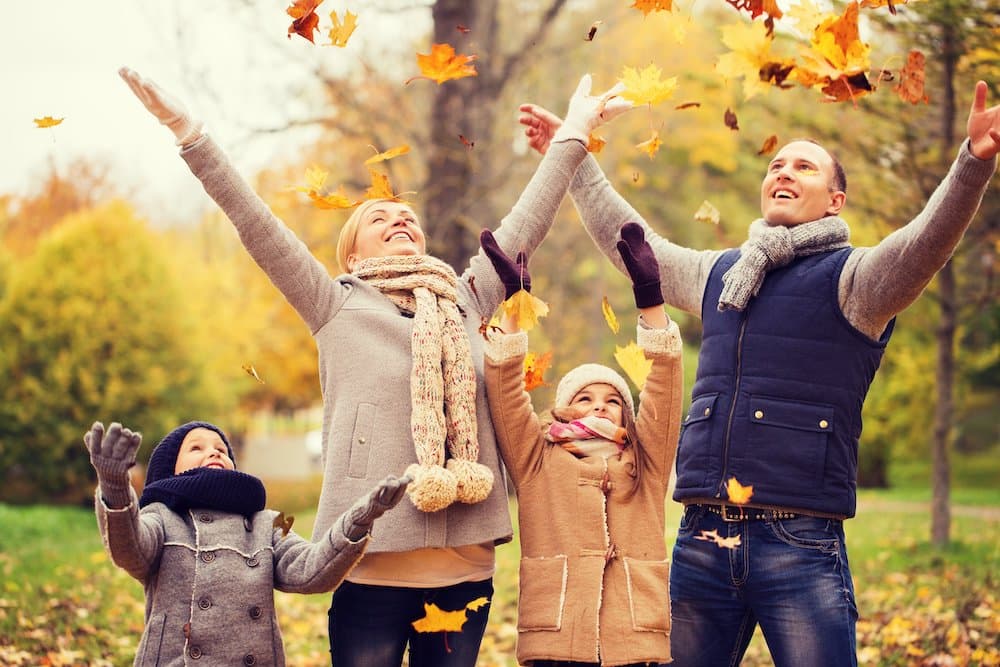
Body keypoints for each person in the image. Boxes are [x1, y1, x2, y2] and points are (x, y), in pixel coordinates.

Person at [118, 67, 630, 665]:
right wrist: (189, 132)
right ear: (352, 254)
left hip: (464, 565)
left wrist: (574, 130)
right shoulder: (332, 303)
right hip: (367, 562)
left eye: (406, 217)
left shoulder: (464, 297)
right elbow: (255, 223)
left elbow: (527, 223)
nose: (400, 222)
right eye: (378, 220)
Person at [516, 81, 999, 666]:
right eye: (776, 164)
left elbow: (923, 246)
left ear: (835, 200)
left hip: (799, 543)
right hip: (701, 539)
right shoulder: (719, 273)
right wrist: (573, 157)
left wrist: (971, 163)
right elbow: (635, 248)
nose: (784, 172)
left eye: (804, 166)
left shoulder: (856, 282)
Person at [480, 223, 683, 666]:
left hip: (633, 638)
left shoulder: (644, 462)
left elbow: (665, 388)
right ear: (563, 410)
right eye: (585, 398)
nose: (600, 406)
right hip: (558, 637)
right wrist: (517, 304)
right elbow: (505, 390)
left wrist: (650, 299)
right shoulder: (537, 458)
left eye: (613, 400)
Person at [85, 419, 409, 666]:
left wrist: (360, 519)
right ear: (168, 470)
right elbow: (131, 551)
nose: (213, 451)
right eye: (195, 448)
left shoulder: (269, 521)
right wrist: (115, 486)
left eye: (221, 449)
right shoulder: (162, 516)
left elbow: (311, 571)